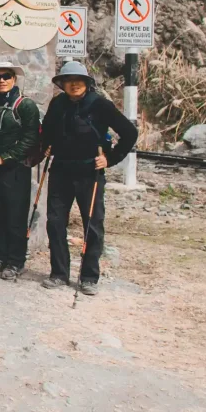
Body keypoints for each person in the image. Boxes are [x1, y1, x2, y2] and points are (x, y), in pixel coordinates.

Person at [40, 61, 138, 296]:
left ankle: (89, 277)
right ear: (62, 84)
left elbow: (129, 132)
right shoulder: (58, 104)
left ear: (86, 83)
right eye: (69, 80)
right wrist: (46, 147)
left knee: (92, 225)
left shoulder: (100, 105)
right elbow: (48, 130)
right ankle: (59, 273)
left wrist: (111, 159)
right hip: (61, 171)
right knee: (55, 223)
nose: (74, 84)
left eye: (79, 80)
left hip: (89, 173)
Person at [0, 62, 41, 280]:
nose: (2, 80)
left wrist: (4, 158)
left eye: (6, 76)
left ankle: (16, 261)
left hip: (16, 169)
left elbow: (30, 139)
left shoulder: (26, 106)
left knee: (15, 216)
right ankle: (0, 257)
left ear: (14, 79)